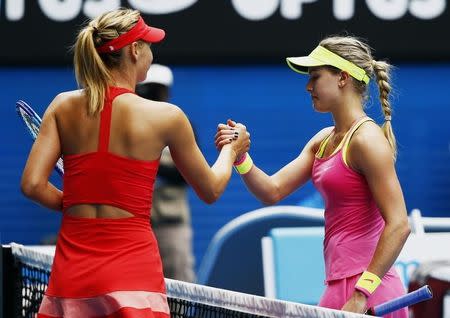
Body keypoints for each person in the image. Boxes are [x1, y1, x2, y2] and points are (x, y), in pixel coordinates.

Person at [20, 8, 249, 318]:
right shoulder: (167, 117)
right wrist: (231, 151)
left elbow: (32, 185)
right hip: (132, 269)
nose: (151, 53)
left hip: (72, 272)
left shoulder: (62, 106)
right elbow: (211, 189)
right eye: (149, 45)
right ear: (134, 50)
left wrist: (76, 203)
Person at [215, 36, 410, 316]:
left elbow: (399, 225)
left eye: (315, 77)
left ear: (342, 78)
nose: (308, 86)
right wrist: (240, 156)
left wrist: (361, 293)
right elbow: (272, 190)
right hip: (338, 288)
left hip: (370, 292)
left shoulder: (367, 140)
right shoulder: (322, 141)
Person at [136, 64, 196, 283]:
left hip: (173, 225)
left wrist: (151, 162)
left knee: (180, 286)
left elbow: (188, 174)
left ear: (166, 92)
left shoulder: (182, 126)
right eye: (146, 89)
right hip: (136, 226)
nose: (150, 95)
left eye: (156, 89)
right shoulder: (128, 125)